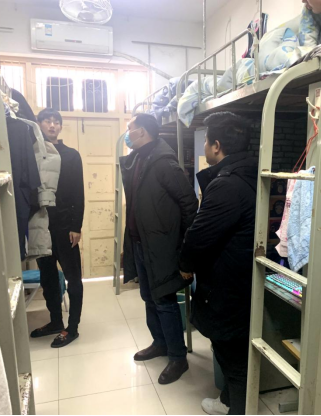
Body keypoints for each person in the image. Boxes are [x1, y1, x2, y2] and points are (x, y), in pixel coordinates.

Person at [179, 112, 258, 416]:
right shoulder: (251, 173)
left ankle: (236, 408)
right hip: (243, 276)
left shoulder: (227, 185)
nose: (204, 147)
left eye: (206, 142)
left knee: (233, 357)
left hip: (228, 283)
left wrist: (186, 263)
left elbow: (199, 235)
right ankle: (227, 402)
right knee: (232, 349)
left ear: (216, 146)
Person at [121, 113, 198, 385]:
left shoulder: (164, 163)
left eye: (130, 129)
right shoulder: (139, 159)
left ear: (142, 132)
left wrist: (182, 244)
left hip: (162, 245)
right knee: (148, 296)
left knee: (164, 300)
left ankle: (178, 358)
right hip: (141, 243)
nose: (127, 133)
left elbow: (190, 205)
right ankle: (160, 343)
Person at [30, 108, 85, 349]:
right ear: (39, 124)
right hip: (41, 225)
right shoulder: (32, 153)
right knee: (48, 277)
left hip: (64, 226)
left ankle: (72, 328)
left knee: (73, 278)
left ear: (60, 126)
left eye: (56, 122)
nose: (52, 125)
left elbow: (78, 193)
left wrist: (76, 226)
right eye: (47, 121)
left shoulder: (71, 155)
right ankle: (55, 321)